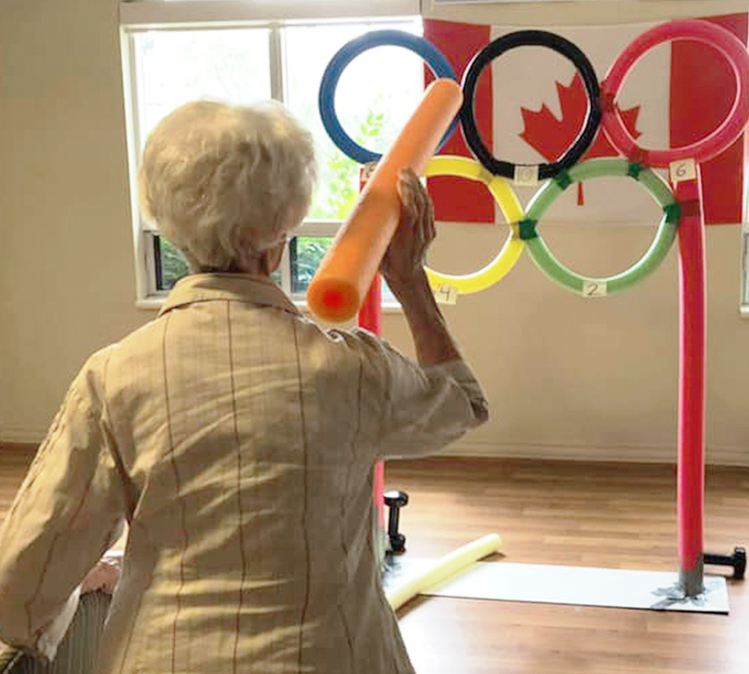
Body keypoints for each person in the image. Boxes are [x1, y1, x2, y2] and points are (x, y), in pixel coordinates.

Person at [0, 100, 487, 674]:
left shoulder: (113, 378)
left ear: (166, 223)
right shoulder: (351, 371)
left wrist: (88, 580)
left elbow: (19, 589)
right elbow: (461, 403)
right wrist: (409, 281)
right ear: (282, 236)